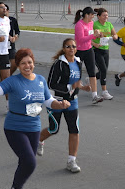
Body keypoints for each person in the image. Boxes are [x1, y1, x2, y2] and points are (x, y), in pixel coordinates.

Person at [0, 49, 72, 189]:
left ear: (34, 63)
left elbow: (48, 100)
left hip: (34, 127)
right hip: (14, 127)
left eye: (29, 62)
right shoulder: (13, 81)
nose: (27, 66)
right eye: (23, 63)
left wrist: (60, 105)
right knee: (30, 162)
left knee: (24, 161)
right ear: (18, 65)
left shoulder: (40, 80)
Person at [37, 38, 91, 173]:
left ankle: (71, 161)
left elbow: (75, 82)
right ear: (64, 49)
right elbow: (51, 84)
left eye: (73, 46)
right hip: (56, 100)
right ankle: (38, 140)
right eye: (68, 46)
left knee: (74, 129)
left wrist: (82, 87)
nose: (71, 49)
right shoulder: (59, 64)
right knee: (54, 128)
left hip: (72, 100)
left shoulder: (78, 62)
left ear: (76, 49)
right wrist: (69, 87)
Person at [73, 6, 103, 104]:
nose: (93, 17)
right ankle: (74, 93)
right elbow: (81, 39)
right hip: (79, 51)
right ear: (86, 15)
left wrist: (98, 34)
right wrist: (93, 36)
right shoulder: (79, 25)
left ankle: (95, 95)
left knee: (92, 72)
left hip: (89, 50)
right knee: (77, 73)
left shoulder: (91, 23)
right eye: (91, 15)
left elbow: (91, 35)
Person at [92, 7, 118, 100]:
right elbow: (89, 36)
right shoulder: (94, 24)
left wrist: (115, 36)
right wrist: (96, 39)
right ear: (98, 16)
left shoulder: (109, 24)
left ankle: (92, 78)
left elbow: (115, 34)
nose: (106, 17)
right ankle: (104, 92)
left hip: (105, 49)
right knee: (103, 69)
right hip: (96, 49)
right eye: (104, 15)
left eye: (107, 15)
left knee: (104, 70)